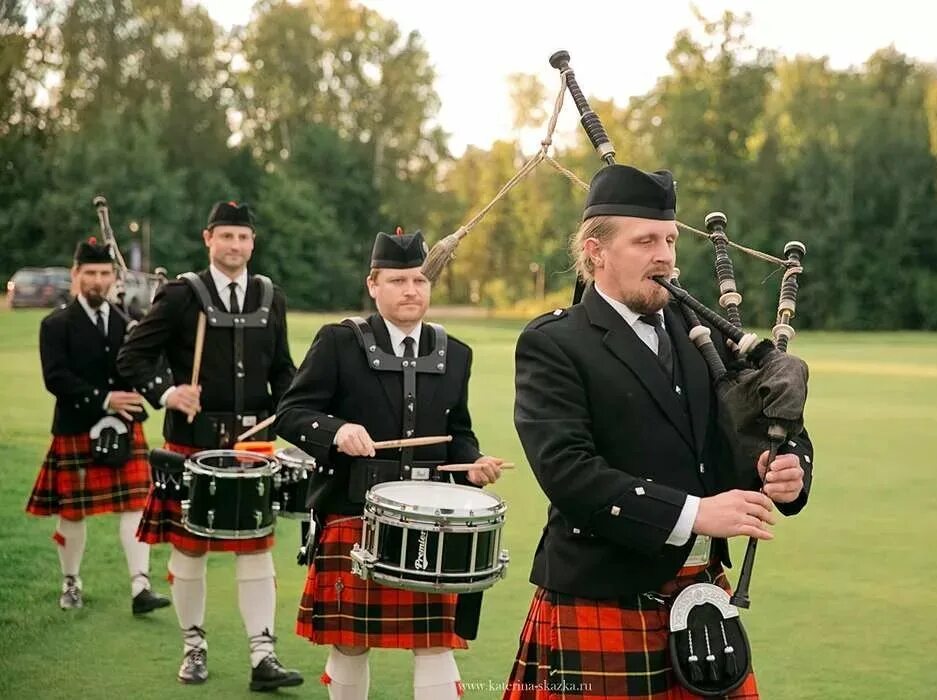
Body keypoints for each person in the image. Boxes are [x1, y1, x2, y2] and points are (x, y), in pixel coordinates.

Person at [503, 165, 815, 699]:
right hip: (602, 596)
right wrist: (696, 513)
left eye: (669, 239)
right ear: (596, 251)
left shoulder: (704, 333)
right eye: (644, 240)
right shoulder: (555, 343)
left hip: (701, 598)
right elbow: (569, 474)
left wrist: (787, 467)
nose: (665, 255)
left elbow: (761, 432)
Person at [276, 228, 504, 700]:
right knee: (349, 644)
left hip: (432, 525)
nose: (410, 290)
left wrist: (474, 461)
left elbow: (457, 433)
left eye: (419, 280)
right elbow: (291, 414)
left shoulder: (455, 353)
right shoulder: (339, 342)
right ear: (373, 285)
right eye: (398, 280)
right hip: (352, 513)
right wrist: (337, 432)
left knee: (436, 644)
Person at [116, 201, 301, 691]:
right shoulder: (181, 295)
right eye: (226, 237)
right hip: (190, 446)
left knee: (256, 554)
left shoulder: (270, 295)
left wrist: (291, 412)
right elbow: (133, 356)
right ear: (208, 239)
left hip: (253, 448)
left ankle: (263, 656)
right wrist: (167, 391)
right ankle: (193, 648)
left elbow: (282, 367)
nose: (235, 246)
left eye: (243, 238)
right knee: (189, 553)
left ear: (252, 244)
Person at [26, 236, 170, 615]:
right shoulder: (55, 325)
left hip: (124, 429)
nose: (97, 281)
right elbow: (55, 378)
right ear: (75, 275)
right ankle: (70, 581)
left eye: (104, 273)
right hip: (76, 428)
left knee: (137, 505)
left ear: (113, 277)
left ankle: (141, 586)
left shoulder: (127, 323)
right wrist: (106, 399)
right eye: (90, 273)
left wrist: (145, 392)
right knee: (72, 512)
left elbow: (141, 368)